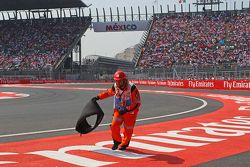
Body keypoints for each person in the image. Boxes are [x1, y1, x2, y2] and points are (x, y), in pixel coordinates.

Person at [92, 70, 141, 150]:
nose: (118, 83)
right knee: (114, 125)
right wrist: (98, 97)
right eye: (116, 81)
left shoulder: (132, 88)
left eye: (120, 81)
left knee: (128, 128)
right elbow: (108, 93)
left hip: (130, 111)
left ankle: (125, 143)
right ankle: (116, 141)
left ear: (124, 80)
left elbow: (137, 103)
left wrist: (126, 109)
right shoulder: (115, 86)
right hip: (118, 109)